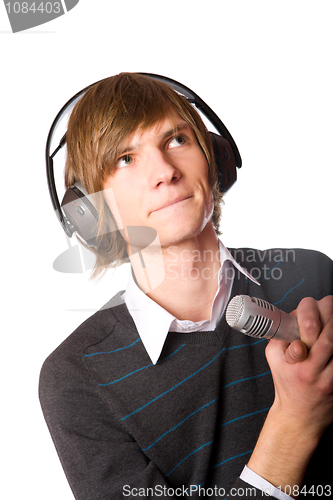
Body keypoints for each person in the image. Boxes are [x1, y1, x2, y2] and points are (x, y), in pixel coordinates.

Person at [39, 73, 333, 500]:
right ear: (89, 211)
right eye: (125, 158)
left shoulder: (310, 276)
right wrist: (294, 425)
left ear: (215, 158)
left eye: (176, 139)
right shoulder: (77, 379)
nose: (164, 172)